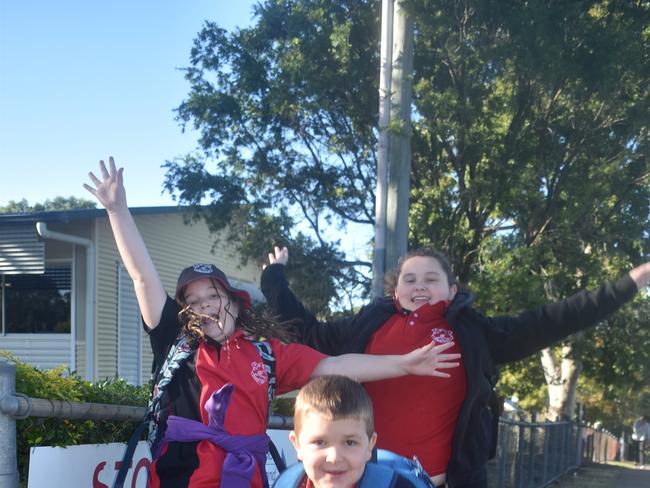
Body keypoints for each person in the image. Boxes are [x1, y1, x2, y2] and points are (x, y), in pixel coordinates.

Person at [83, 158, 461, 488]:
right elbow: (143, 277)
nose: (205, 306)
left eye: (213, 296)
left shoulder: (266, 355)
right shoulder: (174, 343)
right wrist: (117, 210)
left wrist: (404, 364)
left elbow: (336, 365)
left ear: (234, 301)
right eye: (194, 302)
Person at [261, 246, 650, 488]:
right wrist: (274, 276)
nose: (419, 285)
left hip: (438, 481)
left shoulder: (476, 332)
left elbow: (554, 319)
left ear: (451, 290)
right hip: (363, 479)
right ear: (395, 291)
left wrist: (633, 281)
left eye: (432, 279)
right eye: (409, 279)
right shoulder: (366, 325)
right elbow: (307, 331)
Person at [274, 375, 435, 488]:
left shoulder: (396, 485)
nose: (334, 458)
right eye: (319, 442)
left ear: (370, 446)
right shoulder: (286, 483)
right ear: (297, 444)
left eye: (350, 442)